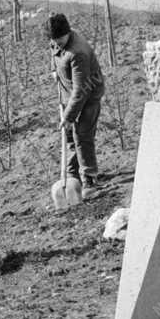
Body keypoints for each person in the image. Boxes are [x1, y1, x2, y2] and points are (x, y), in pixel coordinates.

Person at [47, 13, 105, 201]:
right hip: (68, 93)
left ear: (67, 32)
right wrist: (55, 71)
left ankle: (90, 179)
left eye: (60, 39)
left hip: (88, 95)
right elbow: (54, 52)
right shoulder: (57, 40)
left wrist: (69, 116)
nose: (57, 43)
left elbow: (81, 91)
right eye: (53, 39)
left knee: (82, 135)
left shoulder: (77, 53)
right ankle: (72, 175)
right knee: (70, 135)